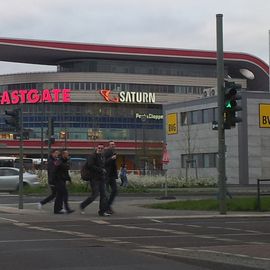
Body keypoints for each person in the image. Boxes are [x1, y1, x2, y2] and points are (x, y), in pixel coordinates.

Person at [79, 144, 110, 216]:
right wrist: (101, 170)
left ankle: (102, 211)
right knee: (95, 195)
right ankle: (83, 205)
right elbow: (90, 165)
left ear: (103, 149)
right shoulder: (93, 156)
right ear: (97, 148)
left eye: (102, 148)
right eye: (99, 148)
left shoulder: (102, 157)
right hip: (94, 178)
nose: (100, 149)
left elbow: (103, 165)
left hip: (101, 178)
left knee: (104, 195)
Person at [54, 149, 74, 214]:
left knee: (60, 195)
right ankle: (66, 208)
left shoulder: (64, 161)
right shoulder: (59, 161)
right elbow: (58, 168)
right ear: (63, 154)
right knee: (64, 194)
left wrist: (69, 179)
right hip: (59, 180)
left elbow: (66, 172)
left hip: (62, 180)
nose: (68, 155)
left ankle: (58, 209)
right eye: (66, 154)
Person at [104, 140, 118, 214]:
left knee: (115, 190)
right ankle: (107, 208)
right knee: (106, 192)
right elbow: (104, 163)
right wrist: (111, 159)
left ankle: (108, 205)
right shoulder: (106, 152)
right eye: (111, 144)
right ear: (108, 145)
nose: (113, 145)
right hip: (106, 176)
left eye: (114, 144)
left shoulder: (114, 153)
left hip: (112, 175)